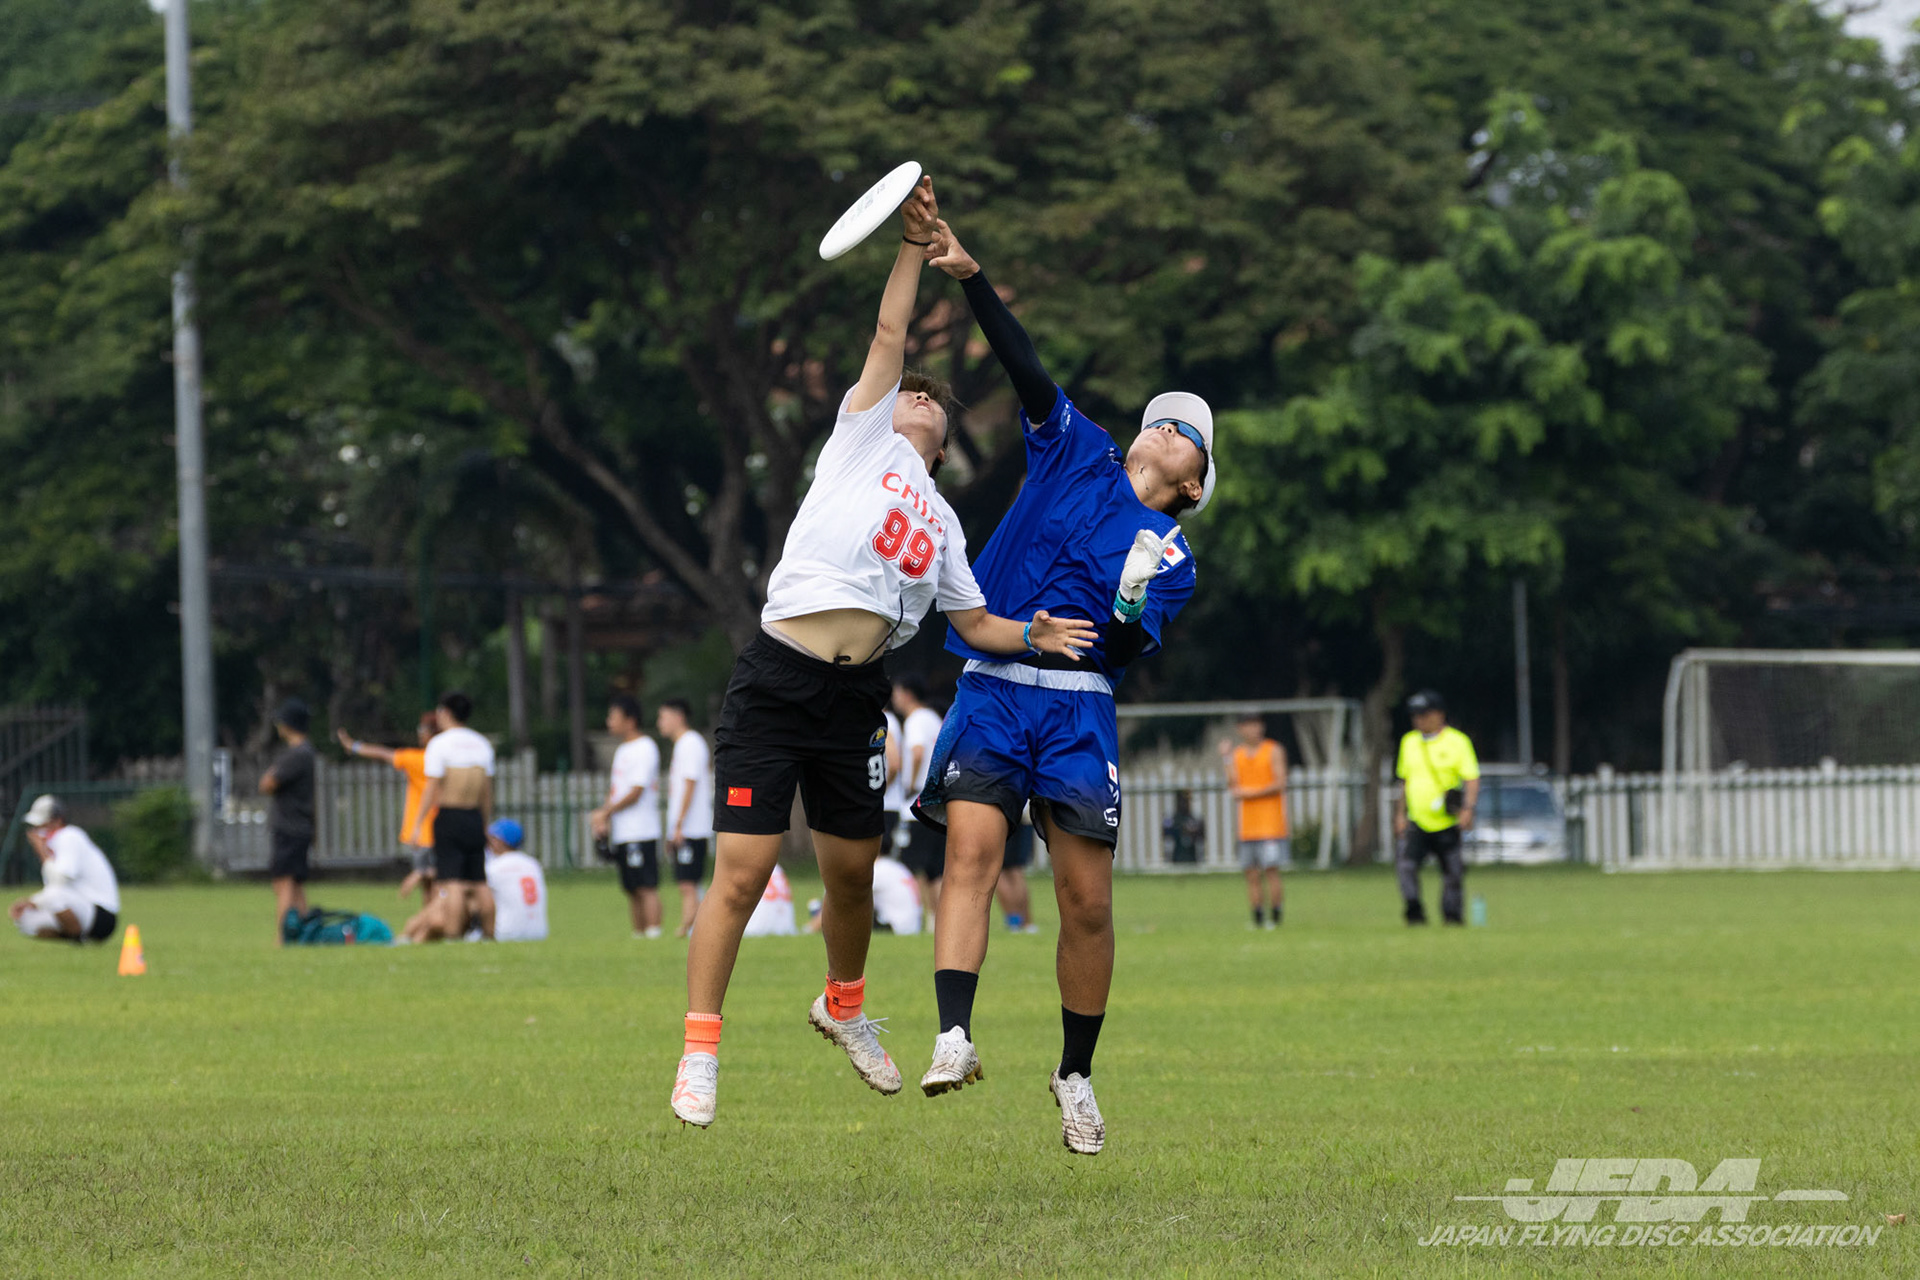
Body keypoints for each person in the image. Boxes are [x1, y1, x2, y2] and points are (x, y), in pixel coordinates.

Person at [671, 175, 1096, 1130]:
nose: (912, 398)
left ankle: (845, 1007)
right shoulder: (860, 442)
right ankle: (700, 1051)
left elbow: (973, 625)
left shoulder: (942, 519)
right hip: (776, 677)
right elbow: (889, 335)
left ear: (940, 444)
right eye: (905, 393)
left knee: (852, 878)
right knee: (741, 873)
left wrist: (1031, 633)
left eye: (927, 404)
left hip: (857, 699)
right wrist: (912, 245)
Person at [910, 215, 1208, 1155]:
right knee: (972, 856)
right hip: (995, 682)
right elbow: (1027, 367)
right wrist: (972, 278)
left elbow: (1117, 648)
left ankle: (1075, 1075)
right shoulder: (1077, 448)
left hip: (1077, 713)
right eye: (1162, 417)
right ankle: (953, 1035)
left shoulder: (1173, 554)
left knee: (1087, 903)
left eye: (1186, 434)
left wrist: (1128, 597)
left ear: (1193, 486)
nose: (1166, 426)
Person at [412, 690, 495, 941]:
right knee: (479, 881)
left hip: (450, 815)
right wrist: (485, 823)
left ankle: (453, 935)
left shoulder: (440, 744)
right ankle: (490, 935)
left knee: (453, 881)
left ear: (445, 713)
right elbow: (486, 792)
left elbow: (431, 787)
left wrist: (418, 824)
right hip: (474, 817)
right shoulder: (481, 744)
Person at [338, 712, 439, 914]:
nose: (419, 733)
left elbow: (382, 753)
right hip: (442, 827)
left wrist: (353, 746)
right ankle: (433, 920)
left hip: (422, 831)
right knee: (437, 885)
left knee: (431, 885)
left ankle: (431, 913)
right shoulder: (449, 762)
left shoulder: (417, 759)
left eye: (422, 729)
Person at [1394, 690, 1481, 925]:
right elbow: (1404, 780)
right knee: (1406, 867)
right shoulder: (1409, 742)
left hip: (1447, 821)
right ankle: (1414, 911)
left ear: (1439, 714)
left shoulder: (1458, 742)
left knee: (1453, 872)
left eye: (1424, 714)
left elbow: (1471, 778)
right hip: (1417, 820)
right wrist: (1400, 815)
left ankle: (1452, 916)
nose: (1419, 720)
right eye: (1415, 715)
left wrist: (1468, 808)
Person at [593, 695, 663, 939]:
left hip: (641, 830)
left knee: (646, 886)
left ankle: (654, 934)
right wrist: (603, 817)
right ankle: (639, 935)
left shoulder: (645, 747)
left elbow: (636, 791)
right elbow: (617, 791)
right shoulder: (623, 749)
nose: (609, 721)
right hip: (624, 831)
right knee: (631, 888)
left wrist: (607, 811)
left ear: (630, 720)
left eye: (614, 717)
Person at [9, 795, 119, 943]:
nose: (37, 831)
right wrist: (31, 903)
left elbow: (60, 882)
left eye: (42, 825)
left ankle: (77, 938)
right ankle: (78, 939)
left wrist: (42, 851)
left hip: (101, 914)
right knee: (25, 918)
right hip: (81, 908)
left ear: (57, 821)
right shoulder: (55, 844)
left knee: (54, 895)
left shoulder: (69, 836)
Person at [1223, 713, 1289, 928]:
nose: (1252, 729)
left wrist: (1251, 793)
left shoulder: (1273, 750)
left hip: (1271, 826)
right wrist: (1226, 758)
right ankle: (1258, 918)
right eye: (1248, 725)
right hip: (1247, 827)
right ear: (1240, 729)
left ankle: (1276, 917)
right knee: (1251, 874)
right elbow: (1233, 785)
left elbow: (1280, 782)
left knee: (1271, 872)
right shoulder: (1238, 754)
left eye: (1256, 725)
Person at [260, 698, 317, 945]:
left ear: (288, 724)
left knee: (284, 883)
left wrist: (270, 775)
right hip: (298, 827)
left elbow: (267, 783)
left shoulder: (297, 754)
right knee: (294, 884)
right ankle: (307, 932)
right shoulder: (305, 753)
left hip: (290, 827)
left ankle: (282, 937)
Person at [657, 697, 714, 938]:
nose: (660, 723)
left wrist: (679, 825)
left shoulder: (690, 743)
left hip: (692, 827)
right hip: (685, 827)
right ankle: (694, 929)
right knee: (688, 882)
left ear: (678, 716)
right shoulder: (683, 744)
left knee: (688, 883)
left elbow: (690, 784)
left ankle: (688, 928)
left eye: (663, 717)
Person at [891, 675, 946, 915]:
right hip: (938, 801)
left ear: (907, 694)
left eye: (896, 693)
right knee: (936, 869)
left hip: (918, 804)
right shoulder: (933, 718)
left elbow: (917, 752)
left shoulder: (915, 720)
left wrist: (911, 784)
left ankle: (922, 915)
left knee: (913, 865)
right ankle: (938, 918)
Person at [484, 819, 548, 943]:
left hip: (505, 933)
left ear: (500, 841)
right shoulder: (533, 864)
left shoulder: (494, 867)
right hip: (539, 933)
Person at [995, 805, 1040, 933]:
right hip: (1024, 812)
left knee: (1001, 871)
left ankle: (1015, 921)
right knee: (1015, 869)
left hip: (1003, 811)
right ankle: (1026, 922)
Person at [1161, 791, 1205, 865]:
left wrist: (1195, 831)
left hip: (1192, 859)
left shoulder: (1195, 819)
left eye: (1186, 801)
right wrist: (1180, 829)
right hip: (1176, 858)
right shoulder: (1172, 820)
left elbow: (1201, 836)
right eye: (1182, 801)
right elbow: (1166, 835)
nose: (1184, 804)